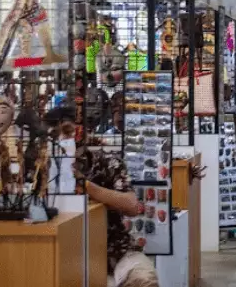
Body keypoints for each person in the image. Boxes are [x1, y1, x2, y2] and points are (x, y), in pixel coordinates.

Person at [47, 107, 158, 287]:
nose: (64, 139)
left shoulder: (106, 162)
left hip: (116, 250)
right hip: (64, 255)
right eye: (57, 134)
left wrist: (86, 185)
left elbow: (131, 206)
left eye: (69, 132)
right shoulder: (42, 169)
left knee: (145, 279)